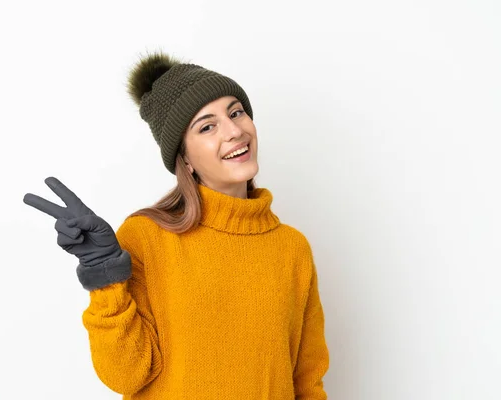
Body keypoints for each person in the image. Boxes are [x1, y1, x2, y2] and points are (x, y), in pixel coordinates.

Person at [23, 50, 329, 399]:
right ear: (185, 158)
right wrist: (105, 278)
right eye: (207, 126)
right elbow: (125, 376)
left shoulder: (291, 248)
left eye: (236, 112)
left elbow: (307, 382)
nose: (234, 131)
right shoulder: (146, 237)